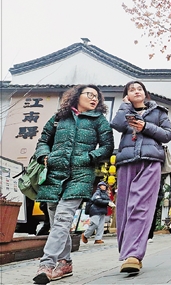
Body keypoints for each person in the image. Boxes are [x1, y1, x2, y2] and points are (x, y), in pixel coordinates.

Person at [32, 85, 114, 284]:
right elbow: (43, 141)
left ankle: (47, 264)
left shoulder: (99, 120)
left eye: (97, 97)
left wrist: (89, 157)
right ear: (77, 96)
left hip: (80, 175)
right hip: (54, 174)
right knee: (57, 222)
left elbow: (107, 147)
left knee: (62, 218)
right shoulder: (59, 117)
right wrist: (45, 156)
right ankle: (66, 262)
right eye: (90, 95)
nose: (94, 99)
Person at [111, 81, 171, 274]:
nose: (136, 91)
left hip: (150, 162)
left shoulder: (159, 112)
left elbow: (168, 135)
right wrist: (125, 106)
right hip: (126, 162)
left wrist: (145, 126)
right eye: (132, 90)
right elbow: (117, 125)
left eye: (139, 89)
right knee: (124, 207)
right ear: (127, 95)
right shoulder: (125, 110)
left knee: (140, 205)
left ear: (145, 93)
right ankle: (127, 252)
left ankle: (134, 255)